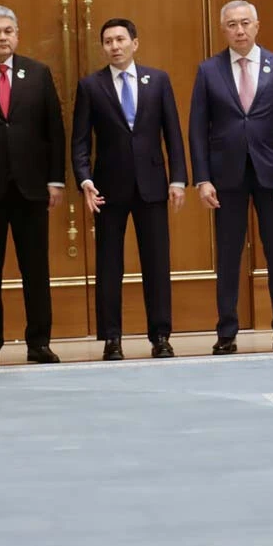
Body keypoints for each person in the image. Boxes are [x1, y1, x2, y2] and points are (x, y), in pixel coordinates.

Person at [189, 0, 273, 354]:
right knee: (228, 255)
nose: (239, 30)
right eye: (232, 25)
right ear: (223, 30)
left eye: (244, 23)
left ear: (256, 25)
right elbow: (197, 130)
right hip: (226, 175)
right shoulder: (208, 70)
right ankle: (227, 331)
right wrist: (203, 179)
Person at [71, 18, 187, 360]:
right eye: (108, 41)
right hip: (107, 188)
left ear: (134, 43)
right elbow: (80, 141)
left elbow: (173, 134)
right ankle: (112, 338)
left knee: (157, 263)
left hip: (152, 185)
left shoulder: (158, 80)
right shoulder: (90, 86)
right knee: (109, 266)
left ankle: (161, 335)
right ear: (103, 47)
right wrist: (84, 179)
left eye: (121, 39)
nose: (115, 46)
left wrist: (178, 179)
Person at [0, 6, 65, 366]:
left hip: (31, 189)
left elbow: (54, 130)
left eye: (9, 31)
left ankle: (39, 342)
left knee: (35, 269)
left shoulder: (38, 74)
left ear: (18, 35)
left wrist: (56, 179)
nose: (3, 37)